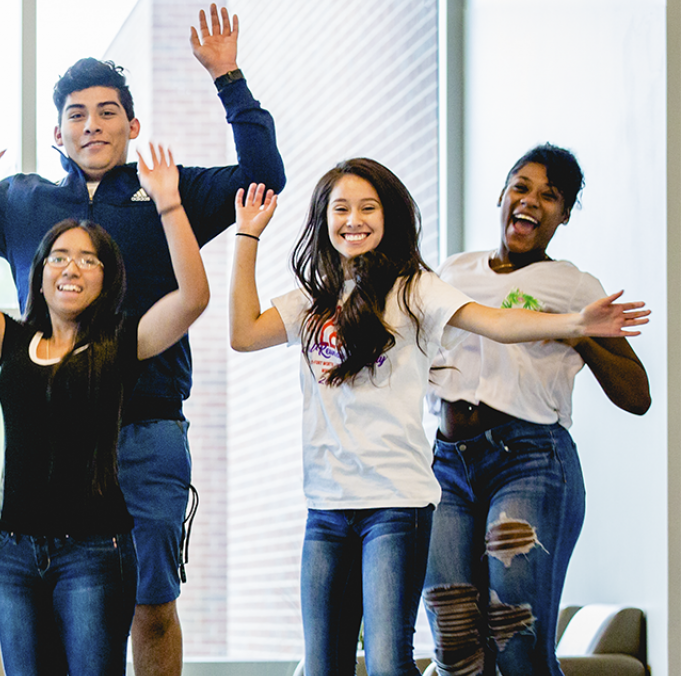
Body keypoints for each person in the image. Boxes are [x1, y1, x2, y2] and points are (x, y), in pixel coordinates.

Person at [0, 8, 284, 673]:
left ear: (132, 128)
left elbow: (263, 175)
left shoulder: (170, 189)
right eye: (77, 114)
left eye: (107, 113)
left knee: (151, 604)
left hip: (148, 428)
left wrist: (228, 79)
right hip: (57, 433)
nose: (92, 124)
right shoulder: (22, 201)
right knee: (63, 606)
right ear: (57, 131)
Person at [226, 159, 647, 676]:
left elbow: (497, 322)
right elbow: (243, 334)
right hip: (371, 489)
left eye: (368, 207)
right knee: (393, 657)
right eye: (341, 208)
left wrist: (577, 323)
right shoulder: (324, 300)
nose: (353, 219)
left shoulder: (423, 289)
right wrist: (246, 236)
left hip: (448, 484)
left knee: (441, 650)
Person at [0, 120, 209, 675]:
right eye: (59, 256)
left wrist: (170, 206)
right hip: (14, 554)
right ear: (39, 276)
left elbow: (193, 298)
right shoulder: (12, 341)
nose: (71, 267)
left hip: (94, 553)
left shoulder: (121, 347)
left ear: (106, 281)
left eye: (88, 259)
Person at [421, 144, 650, 676]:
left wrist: (579, 333)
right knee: (454, 648)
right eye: (520, 187)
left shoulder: (574, 286)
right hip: (447, 469)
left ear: (564, 215)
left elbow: (637, 395)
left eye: (550, 195)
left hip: (529, 461)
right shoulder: (452, 271)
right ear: (501, 196)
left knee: (516, 641)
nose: (530, 201)